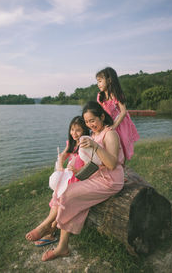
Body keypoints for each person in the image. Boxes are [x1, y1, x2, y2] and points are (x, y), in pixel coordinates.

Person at [25, 101, 124, 261]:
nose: (90, 125)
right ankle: (63, 247)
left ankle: (47, 225)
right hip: (96, 176)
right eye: (87, 122)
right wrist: (76, 169)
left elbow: (112, 164)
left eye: (93, 120)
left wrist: (95, 146)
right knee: (70, 192)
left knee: (70, 194)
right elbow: (91, 161)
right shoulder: (93, 135)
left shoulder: (110, 133)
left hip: (110, 180)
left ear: (102, 116)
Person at [30, 116, 90, 247]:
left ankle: (48, 227)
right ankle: (50, 227)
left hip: (80, 178)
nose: (74, 133)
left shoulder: (86, 144)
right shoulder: (72, 144)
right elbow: (63, 155)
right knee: (57, 197)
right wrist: (61, 162)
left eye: (78, 130)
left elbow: (89, 166)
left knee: (63, 198)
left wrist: (77, 170)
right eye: (72, 129)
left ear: (85, 131)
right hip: (69, 178)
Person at [96, 67, 139, 160]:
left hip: (120, 123)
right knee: (110, 145)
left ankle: (122, 168)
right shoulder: (100, 96)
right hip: (109, 123)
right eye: (97, 81)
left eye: (100, 81)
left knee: (122, 145)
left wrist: (115, 126)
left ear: (109, 80)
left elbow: (123, 111)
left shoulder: (116, 94)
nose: (98, 84)